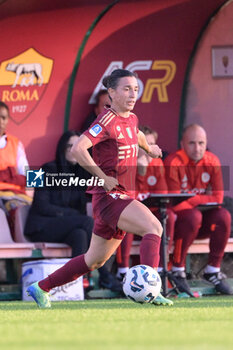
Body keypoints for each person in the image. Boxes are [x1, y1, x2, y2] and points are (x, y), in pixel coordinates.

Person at [27, 69, 173, 308]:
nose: (132, 94)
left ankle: (41, 288)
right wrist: (102, 176)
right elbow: (78, 149)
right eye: (126, 89)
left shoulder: (132, 118)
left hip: (119, 198)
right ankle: (151, 289)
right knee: (153, 227)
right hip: (110, 196)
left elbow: (135, 134)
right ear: (112, 93)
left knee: (93, 261)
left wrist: (149, 148)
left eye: (135, 89)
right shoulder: (105, 121)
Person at [24, 130, 122, 292]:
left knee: (80, 235)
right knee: (86, 222)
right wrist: (73, 216)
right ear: (62, 148)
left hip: (65, 227)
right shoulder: (44, 168)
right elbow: (41, 206)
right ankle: (106, 275)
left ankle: (79, 284)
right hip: (40, 227)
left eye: (76, 146)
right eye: (69, 146)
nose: (72, 150)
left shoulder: (81, 175)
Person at [164, 124, 232, 295]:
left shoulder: (213, 160)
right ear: (182, 144)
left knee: (223, 215)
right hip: (181, 223)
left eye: (201, 143)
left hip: (201, 222)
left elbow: (218, 199)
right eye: (192, 143)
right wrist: (202, 200)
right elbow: (175, 203)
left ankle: (212, 270)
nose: (197, 148)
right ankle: (178, 269)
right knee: (192, 216)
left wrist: (192, 199)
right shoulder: (173, 161)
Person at [116, 125, 176, 281]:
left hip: (150, 215)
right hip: (129, 214)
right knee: (128, 218)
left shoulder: (157, 164)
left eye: (153, 144)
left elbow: (161, 196)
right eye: (146, 144)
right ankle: (122, 271)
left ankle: (162, 269)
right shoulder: (124, 164)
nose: (151, 149)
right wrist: (140, 172)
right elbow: (126, 198)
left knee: (168, 215)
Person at [0, 101, 32, 225]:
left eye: (3, 117)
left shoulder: (16, 143)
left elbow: (26, 171)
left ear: (8, 120)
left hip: (16, 194)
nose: (0, 121)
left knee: (36, 210)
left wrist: (38, 195)